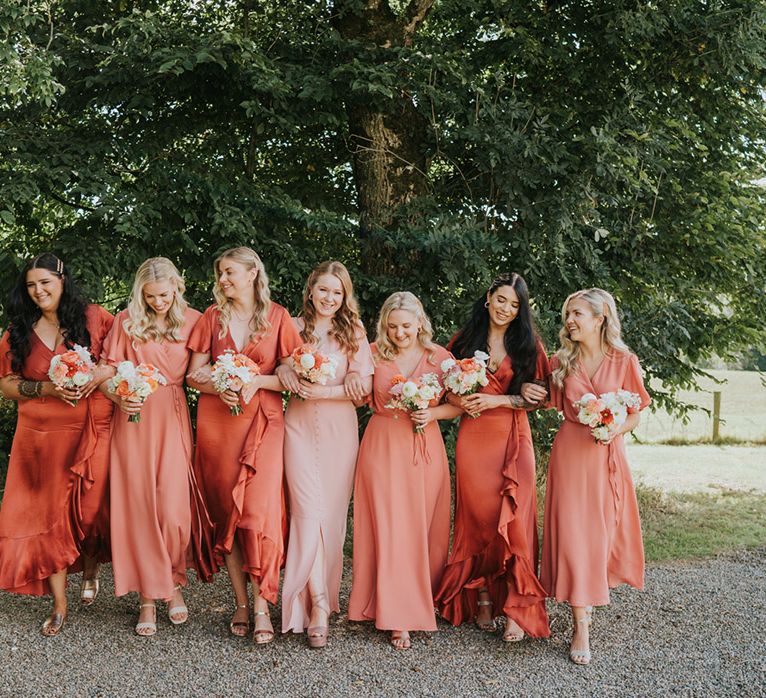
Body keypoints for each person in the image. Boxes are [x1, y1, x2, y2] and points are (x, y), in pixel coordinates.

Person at [186, 247, 301, 645]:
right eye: (220, 273)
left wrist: (256, 381)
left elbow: (290, 370)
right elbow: (192, 375)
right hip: (218, 426)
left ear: (253, 273)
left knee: (258, 513)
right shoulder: (211, 318)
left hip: (264, 422)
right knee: (227, 514)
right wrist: (220, 382)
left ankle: (262, 603)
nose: (223, 280)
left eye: (230, 272)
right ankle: (239, 601)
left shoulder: (279, 317)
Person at [0, 253, 114, 635]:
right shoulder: (18, 330)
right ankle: (60, 604)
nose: (38, 291)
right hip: (39, 437)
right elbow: (6, 385)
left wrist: (96, 375)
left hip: (90, 429)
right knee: (48, 519)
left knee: (90, 509)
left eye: (45, 283)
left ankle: (91, 565)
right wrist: (45, 388)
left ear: (63, 281)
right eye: (31, 285)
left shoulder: (95, 318)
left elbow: (119, 359)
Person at [102, 257, 215, 636]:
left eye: (164, 295)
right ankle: (149, 597)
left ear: (177, 288)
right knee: (139, 506)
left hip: (172, 411)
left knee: (173, 510)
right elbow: (107, 369)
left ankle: (173, 580)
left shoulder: (196, 320)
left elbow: (204, 371)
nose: (157, 302)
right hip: (133, 413)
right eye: (150, 296)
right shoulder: (126, 321)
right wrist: (118, 397)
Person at [435, 273, 551, 641]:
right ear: (488, 298)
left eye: (514, 305)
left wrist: (497, 400)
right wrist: (460, 400)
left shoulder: (528, 345)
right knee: (479, 520)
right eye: (501, 300)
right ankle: (483, 598)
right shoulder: (464, 340)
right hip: (474, 440)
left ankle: (516, 609)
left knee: (515, 524)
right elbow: (442, 390)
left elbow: (543, 397)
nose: (506, 309)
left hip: (513, 438)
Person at [541, 288, 651, 665]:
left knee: (598, 536)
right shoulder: (560, 360)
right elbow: (540, 396)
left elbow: (637, 411)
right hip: (570, 454)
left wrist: (617, 427)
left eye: (578, 314)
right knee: (573, 537)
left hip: (605, 454)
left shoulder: (624, 361)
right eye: (568, 314)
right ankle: (580, 625)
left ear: (600, 317)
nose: (570, 320)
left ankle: (586, 605)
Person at [348, 291, 458, 650]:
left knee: (422, 526)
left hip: (425, 446)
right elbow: (355, 392)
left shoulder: (439, 357)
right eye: (392, 326)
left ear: (420, 323)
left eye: (407, 326)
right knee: (389, 526)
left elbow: (459, 404)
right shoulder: (373, 353)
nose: (399, 333)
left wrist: (433, 414)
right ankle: (395, 615)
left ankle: (421, 600)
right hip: (382, 445)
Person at [278, 261, 373, 648]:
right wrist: (286, 371)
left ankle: (322, 596)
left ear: (344, 296)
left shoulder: (354, 332)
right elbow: (280, 362)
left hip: (339, 429)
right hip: (297, 426)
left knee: (331, 516)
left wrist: (339, 385)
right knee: (306, 510)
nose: (330, 298)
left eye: (337, 292)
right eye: (324, 290)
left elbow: (363, 383)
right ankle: (316, 602)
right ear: (311, 291)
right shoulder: (292, 327)